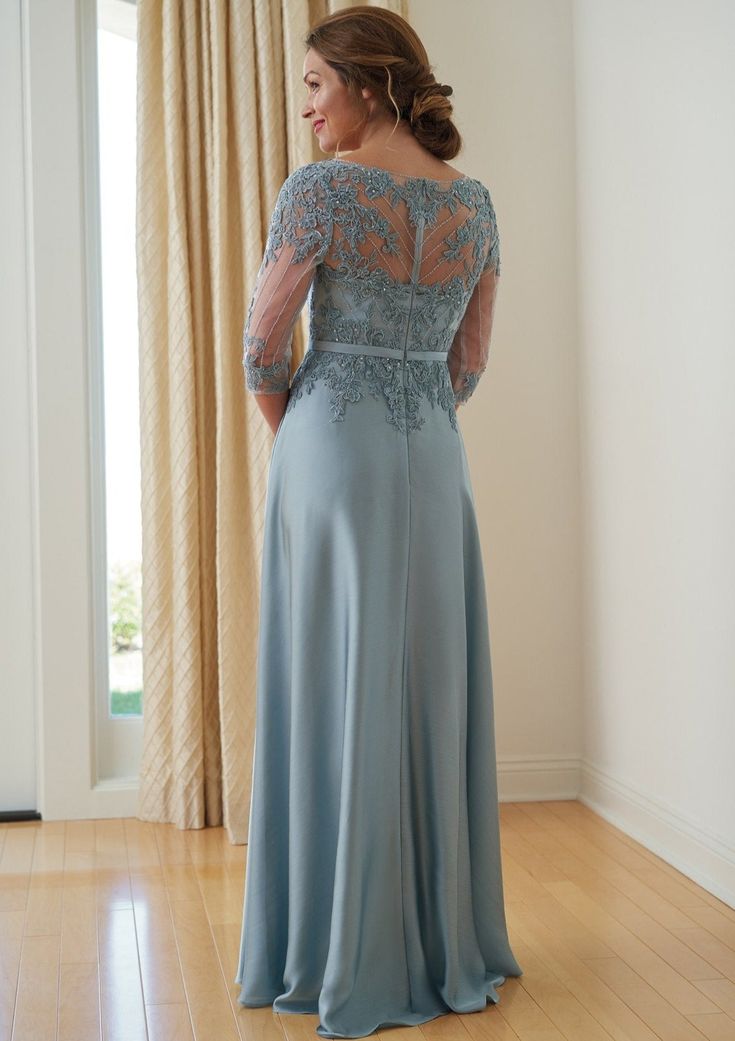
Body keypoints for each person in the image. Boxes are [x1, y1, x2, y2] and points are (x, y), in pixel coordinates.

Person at [234, 7, 523, 1038]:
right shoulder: (477, 205)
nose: (307, 107)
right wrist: (414, 412)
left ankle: (327, 946)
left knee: (328, 680)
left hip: (329, 441)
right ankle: (440, 942)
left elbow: (265, 349)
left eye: (316, 85)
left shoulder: (318, 192)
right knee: (422, 681)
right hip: (430, 451)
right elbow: (469, 364)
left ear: (366, 82)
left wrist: (306, 428)